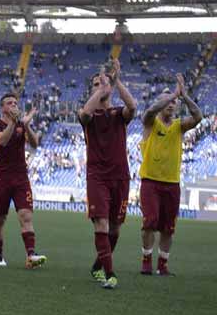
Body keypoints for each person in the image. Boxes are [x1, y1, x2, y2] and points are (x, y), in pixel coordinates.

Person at [78, 59, 136, 289]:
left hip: (120, 176)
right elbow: (84, 114)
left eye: (103, 84)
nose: (100, 86)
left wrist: (116, 80)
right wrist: (101, 89)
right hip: (97, 176)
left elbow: (133, 107)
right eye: (95, 84)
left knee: (115, 228)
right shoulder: (88, 115)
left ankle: (97, 266)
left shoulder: (118, 114)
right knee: (101, 224)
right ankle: (111, 274)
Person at [139, 73, 202, 276]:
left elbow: (198, 117)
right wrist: (171, 94)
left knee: (168, 228)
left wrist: (183, 95)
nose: (171, 104)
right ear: (160, 103)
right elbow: (149, 112)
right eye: (167, 101)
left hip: (172, 183)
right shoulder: (151, 123)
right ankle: (146, 261)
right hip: (150, 181)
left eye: (174, 102)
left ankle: (163, 265)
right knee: (149, 222)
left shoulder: (179, 126)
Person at [0, 93, 47, 269]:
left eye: (15, 102)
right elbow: (3, 142)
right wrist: (15, 123)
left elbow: (35, 144)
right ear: (3, 108)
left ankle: (31, 255)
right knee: (0, 218)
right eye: (9, 103)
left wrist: (26, 125)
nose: (14, 105)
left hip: (21, 177)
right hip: (2, 178)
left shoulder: (21, 125)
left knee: (26, 215)